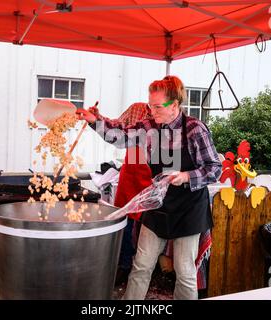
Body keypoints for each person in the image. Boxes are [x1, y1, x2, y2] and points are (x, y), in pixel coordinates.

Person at [78, 75, 222, 300]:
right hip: (158, 203)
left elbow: (214, 169)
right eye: (149, 106)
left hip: (189, 208)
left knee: (185, 272)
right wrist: (93, 121)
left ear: (174, 105)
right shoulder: (149, 127)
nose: (151, 111)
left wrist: (185, 176)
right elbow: (120, 135)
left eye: (157, 107)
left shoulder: (195, 130)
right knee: (141, 266)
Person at [95, 102, 153, 285]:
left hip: (151, 175)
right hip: (130, 174)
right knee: (124, 221)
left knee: (149, 225)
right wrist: (98, 118)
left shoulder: (167, 117)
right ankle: (124, 264)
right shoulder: (137, 108)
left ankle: (145, 269)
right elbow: (116, 125)